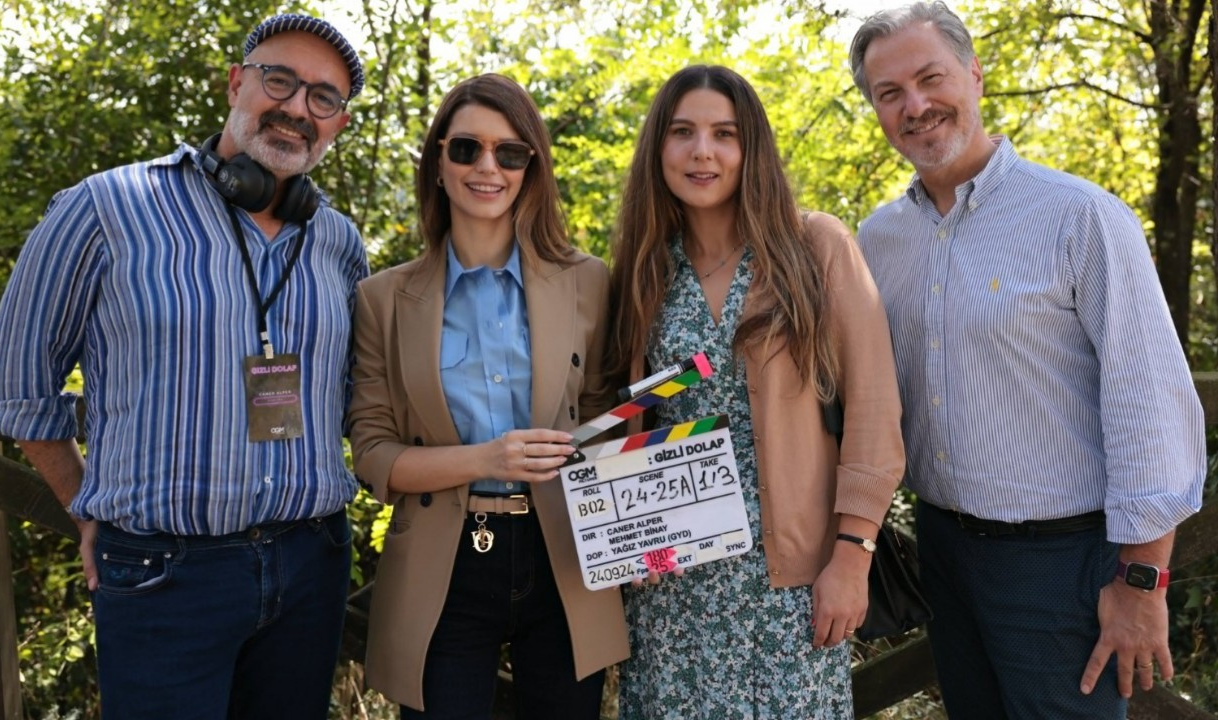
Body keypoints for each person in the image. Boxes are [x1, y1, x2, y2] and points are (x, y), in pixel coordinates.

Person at [0, 13, 369, 719]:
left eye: (323, 97)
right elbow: (18, 380)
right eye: (279, 80)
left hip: (313, 565)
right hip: (162, 575)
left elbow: (357, 393)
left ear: (338, 124)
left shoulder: (339, 242)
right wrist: (80, 503)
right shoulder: (105, 207)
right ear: (235, 83)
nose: (297, 108)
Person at [848, 3, 1207, 718]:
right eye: (890, 93)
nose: (915, 106)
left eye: (930, 78)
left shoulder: (1080, 217)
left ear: (975, 75)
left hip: (1061, 563)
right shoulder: (877, 240)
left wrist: (1143, 581)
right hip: (940, 551)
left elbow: (1150, 403)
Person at [606, 64, 905, 719]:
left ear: (752, 149)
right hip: (672, 587)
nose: (702, 152)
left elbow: (875, 409)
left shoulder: (814, 246)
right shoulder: (645, 269)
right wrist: (625, 540)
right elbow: (631, 420)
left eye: (724, 134)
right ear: (658, 147)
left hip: (792, 586)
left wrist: (853, 556)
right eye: (682, 132)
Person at [348, 73, 629, 719]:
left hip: (567, 557)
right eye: (467, 148)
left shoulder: (588, 281)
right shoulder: (382, 300)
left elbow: (606, 423)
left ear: (532, 168)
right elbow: (373, 454)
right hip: (440, 566)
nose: (488, 167)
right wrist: (487, 459)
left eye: (510, 153)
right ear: (438, 161)